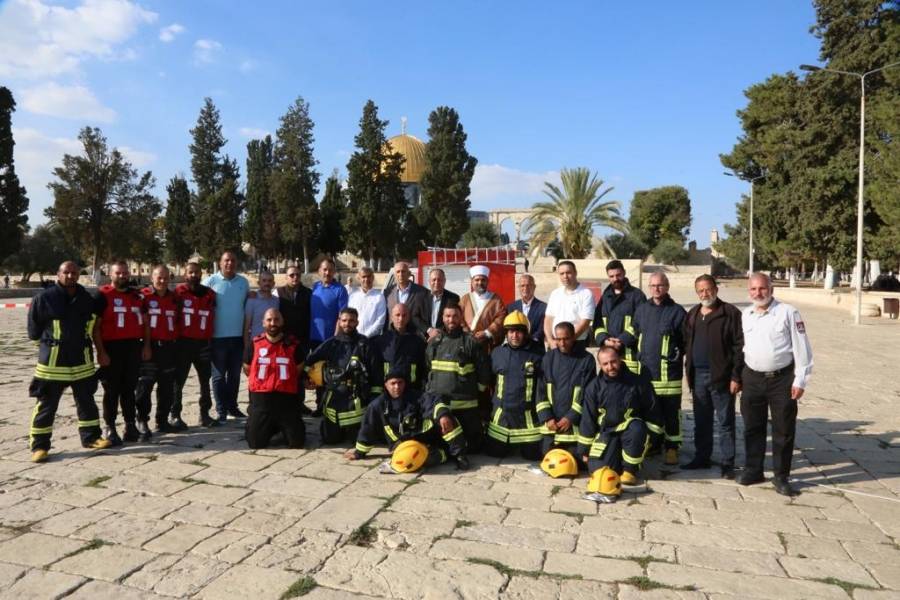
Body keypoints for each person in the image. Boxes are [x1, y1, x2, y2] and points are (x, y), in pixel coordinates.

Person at [26, 261, 111, 462]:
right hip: (53, 363)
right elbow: (33, 332)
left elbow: (94, 326)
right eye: (67, 273)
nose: (71, 276)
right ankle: (39, 446)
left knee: (87, 402)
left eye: (74, 273)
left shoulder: (87, 299)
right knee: (46, 405)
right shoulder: (44, 298)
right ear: (58, 274)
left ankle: (92, 438)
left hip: (82, 361)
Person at [739, 273, 813, 496]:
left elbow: (802, 349)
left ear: (771, 289)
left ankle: (781, 476)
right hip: (752, 378)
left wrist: (800, 379)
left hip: (781, 380)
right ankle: (754, 469)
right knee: (752, 427)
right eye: (753, 289)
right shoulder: (746, 314)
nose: (758, 293)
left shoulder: (788, 313)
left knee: (783, 429)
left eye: (762, 288)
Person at [682, 275, 743, 479]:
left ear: (716, 289)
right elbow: (687, 343)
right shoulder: (693, 314)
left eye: (708, 289)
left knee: (725, 422)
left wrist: (736, 376)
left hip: (722, 377)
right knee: (702, 420)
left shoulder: (730, 313)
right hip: (698, 375)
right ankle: (702, 457)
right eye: (700, 290)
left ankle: (727, 463)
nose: (705, 294)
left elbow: (739, 347)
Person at [345, 369, 466, 470]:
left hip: (424, 437)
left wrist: (443, 415)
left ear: (405, 383)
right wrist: (359, 453)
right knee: (422, 461)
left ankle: (459, 455)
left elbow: (434, 403)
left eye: (400, 383)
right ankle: (445, 454)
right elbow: (368, 428)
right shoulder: (377, 406)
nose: (397, 387)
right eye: (393, 383)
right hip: (401, 444)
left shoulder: (417, 396)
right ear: (386, 385)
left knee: (447, 419)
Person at [578, 347, 663, 485]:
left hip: (632, 432)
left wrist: (650, 440)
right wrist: (584, 450)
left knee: (637, 428)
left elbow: (653, 412)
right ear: (600, 365)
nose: (610, 367)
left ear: (620, 359)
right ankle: (616, 459)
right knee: (597, 470)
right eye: (605, 364)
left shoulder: (639, 383)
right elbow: (588, 419)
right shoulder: (594, 387)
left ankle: (630, 470)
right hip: (607, 433)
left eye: (613, 362)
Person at [632, 271, 686, 465]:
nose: (656, 289)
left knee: (672, 414)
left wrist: (676, 356)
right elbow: (634, 333)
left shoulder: (677, 311)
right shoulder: (641, 310)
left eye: (660, 285)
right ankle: (653, 444)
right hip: (647, 374)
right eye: (653, 285)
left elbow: (684, 341)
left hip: (669, 376)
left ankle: (672, 448)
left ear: (667, 286)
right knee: (649, 413)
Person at [424, 303, 490, 460]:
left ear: (461, 318)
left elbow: (484, 373)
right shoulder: (435, 342)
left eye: (454, 316)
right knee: (438, 441)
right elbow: (428, 368)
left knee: (473, 447)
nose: (451, 320)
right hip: (441, 406)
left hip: (465, 407)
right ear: (442, 318)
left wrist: (477, 392)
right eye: (447, 316)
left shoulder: (471, 342)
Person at [305, 308, 379, 445]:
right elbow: (309, 361)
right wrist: (307, 379)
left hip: (356, 399)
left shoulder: (365, 344)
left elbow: (375, 372)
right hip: (334, 397)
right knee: (330, 440)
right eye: (344, 320)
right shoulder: (331, 343)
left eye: (351, 321)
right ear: (339, 322)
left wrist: (373, 399)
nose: (347, 324)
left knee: (356, 440)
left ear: (357, 322)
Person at [94, 260, 147, 445]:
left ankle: (130, 425)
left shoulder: (136, 296)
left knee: (129, 390)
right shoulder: (102, 295)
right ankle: (109, 427)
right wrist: (101, 352)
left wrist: (145, 345)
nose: (123, 276)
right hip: (111, 348)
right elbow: (95, 328)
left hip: (132, 347)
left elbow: (145, 323)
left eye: (125, 273)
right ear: (110, 274)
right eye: (119, 273)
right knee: (111, 390)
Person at [484, 311, 545, 460]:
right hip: (501, 415)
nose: (514, 336)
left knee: (533, 455)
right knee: (495, 454)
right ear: (506, 333)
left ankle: (518, 444)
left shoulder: (537, 354)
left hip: (527, 415)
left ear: (525, 333)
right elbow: (490, 382)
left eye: (519, 331)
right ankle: (507, 444)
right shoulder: (497, 352)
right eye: (511, 331)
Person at [242, 308, 305, 449]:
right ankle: (256, 423)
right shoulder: (254, 344)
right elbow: (247, 368)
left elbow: (299, 368)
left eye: (276, 319)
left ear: (282, 322)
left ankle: (279, 427)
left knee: (297, 442)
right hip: (262, 398)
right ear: (263, 323)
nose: (273, 323)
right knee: (255, 443)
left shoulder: (293, 345)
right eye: (269, 320)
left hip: (286, 399)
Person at [538, 321, 596, 462]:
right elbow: (541, 390)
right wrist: (547, 417)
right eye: (558, 339)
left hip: (574, 426)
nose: (562, 343)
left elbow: (588, 393)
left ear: (574, 337)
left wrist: (571, 417)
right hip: (551, 426)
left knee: (573, 462)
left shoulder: (587, 359)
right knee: (548, 459)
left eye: (566, 338)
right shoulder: (548, 358)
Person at [204, 251, 250, 422]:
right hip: (217, 338)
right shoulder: (210, 282)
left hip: (238, 337)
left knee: (235, 376)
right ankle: (221, 410)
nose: (229, 263)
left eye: (233, 260)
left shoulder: (243, 283)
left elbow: (246, 305)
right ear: (220, 262)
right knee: (218, 376)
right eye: (226, 260)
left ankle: (232, 407)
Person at [135, 265, 179, 439]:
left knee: (167, 387)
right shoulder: (143, 297)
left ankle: (162, 421)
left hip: (169, 348)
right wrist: (145, 345)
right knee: (145, 386)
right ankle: (142, 420)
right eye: (159, 277)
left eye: (166, 278)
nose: (162, 281)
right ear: (151, 278)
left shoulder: (174, 298)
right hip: (149, 347)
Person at [173, 262, 217, 428]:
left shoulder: (210, 294)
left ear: (201, 274)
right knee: (179, 381)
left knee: (205, 381)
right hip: (183, 343)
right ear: (185, 274)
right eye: (190, 272)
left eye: (197, 272)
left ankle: (204, 414)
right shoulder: (178, 293)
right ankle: (175, 414)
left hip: (203, 344)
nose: (193, 275)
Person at [592, 260, 646, 372]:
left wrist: (621, 340)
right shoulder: (605, 297)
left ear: (624, 273)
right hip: (609, 355)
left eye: (618, 275)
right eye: (611, 276)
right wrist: (605, 340)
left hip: (630, 354)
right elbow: (598, 323)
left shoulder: (637, 296)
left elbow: (641, 322)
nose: (615, 279)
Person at [372, 303, 427, 394]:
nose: (401, 319)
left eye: (404, 315)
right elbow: (376, 369)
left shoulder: (418, 342)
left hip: (411, 390)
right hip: (388, 391)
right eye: (397, 315)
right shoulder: (382, 341)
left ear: (409, 317)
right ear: (391, 317)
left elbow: (423, 369)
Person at [544, 260, 595, 352]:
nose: (565, 276)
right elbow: (548, 319)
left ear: (575, 273)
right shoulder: (555, 293)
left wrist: (567, 341)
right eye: (562, 273)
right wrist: (550, 340)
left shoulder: (586, 293)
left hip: (576, 343)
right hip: (555, 344)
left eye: (568, 273)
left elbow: (585, 322)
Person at [457, 265, 507, 352]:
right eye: (477, 280)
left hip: (487, 344)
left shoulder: (496, 299)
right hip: (467, 343)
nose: (480, 282)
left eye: (483, 280)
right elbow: (458, 316)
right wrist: (466, 332)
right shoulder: (465, 298)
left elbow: (501, 317)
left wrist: (487, 332)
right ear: (472, 282)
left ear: (487, 281)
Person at [310, 257, 349, 348]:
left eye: (330, 270)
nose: (327, 273)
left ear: (334, 272)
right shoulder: (315, 287)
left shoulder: (340, 290)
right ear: (319, 271)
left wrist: (336, 337)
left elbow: (342, 316)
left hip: (330, 339)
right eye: (325, 270)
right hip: (313, 337)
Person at [383, 261, 430, 335]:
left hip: (414, 336)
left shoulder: (422, 292)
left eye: (403, 271)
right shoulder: (387, 293)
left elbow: (425, 316)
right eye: (398, 272)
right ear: (395, 275)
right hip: (392, 336)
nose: (400, 274)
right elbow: (386, 317)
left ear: (409, 274)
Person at [275, 264, 312, 357]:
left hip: (303, 339)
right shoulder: (278, 292)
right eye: (292, 275)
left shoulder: (309, 293)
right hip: (284, 338)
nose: (295, 277)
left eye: (298, 275)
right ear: (286, 277)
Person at [507, 274, 547, 351]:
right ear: (518, 288)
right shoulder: (511, 307)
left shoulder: (544, 307)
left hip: (535, 349)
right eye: (522, 286)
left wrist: (528, 340)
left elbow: (542, 329)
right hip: (515, 349)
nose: (525, 288)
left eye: (529, 285)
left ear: (534, 287)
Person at [348, 266, 387, 338]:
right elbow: (349, 317)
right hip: (354, 338)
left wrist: (365, 336)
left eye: (369, 276)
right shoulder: (353, 296)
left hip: (372, 339)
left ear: (372, 278)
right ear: (359, 278)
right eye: (363, 277)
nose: (366, 279)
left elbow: (380, 320)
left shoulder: (379, 297)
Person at [243, 271, 279, 346]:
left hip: (272, 344)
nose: (267, 283)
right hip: (255, 343)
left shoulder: (276, 301)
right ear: (259, 283)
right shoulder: (252, 300)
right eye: (264, 280)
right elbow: (246, 326)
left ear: (273, 283)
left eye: (269, 281)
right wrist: (246, 348)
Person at [426, 268, 459, 342]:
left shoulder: (453, 298)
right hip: (424, 339)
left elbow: (454, 318)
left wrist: (438, 332)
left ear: (444, 281)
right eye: (434, 280)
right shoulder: (422, 296)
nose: (436, 282)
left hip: (445, 339)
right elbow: (416, 316)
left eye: (440, 280)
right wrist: (429, 330)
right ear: (429, 281)